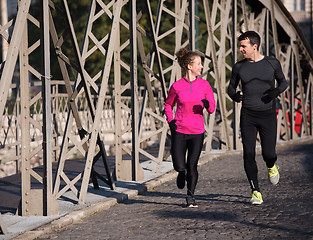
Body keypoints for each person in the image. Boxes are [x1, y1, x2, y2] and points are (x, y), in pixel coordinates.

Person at [227, 31, 288, 205]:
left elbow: (284, 82)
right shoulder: (239, 67)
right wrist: (235, 95)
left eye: (243, 46)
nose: (240, 50)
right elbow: (230, 88)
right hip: (248, 115)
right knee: (248, 154)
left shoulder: (272, 63)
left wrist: (277, 91)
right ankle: (255, 191)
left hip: (268, 114)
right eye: (240, 46)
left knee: (269, 153)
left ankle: (271, 166)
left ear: (255, 46)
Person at [164, 48, 216, 207]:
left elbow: (212, 107)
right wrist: (171, 121)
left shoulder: (205, 85)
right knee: (180, 165)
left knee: (192, 164)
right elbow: (168, 104)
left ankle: (190, 196)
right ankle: (181, 172)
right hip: (179, 131)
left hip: (197, 132)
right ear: (189, 66)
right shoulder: (177, 86)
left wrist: (207, 105)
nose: (201, 67)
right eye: (199, 64)